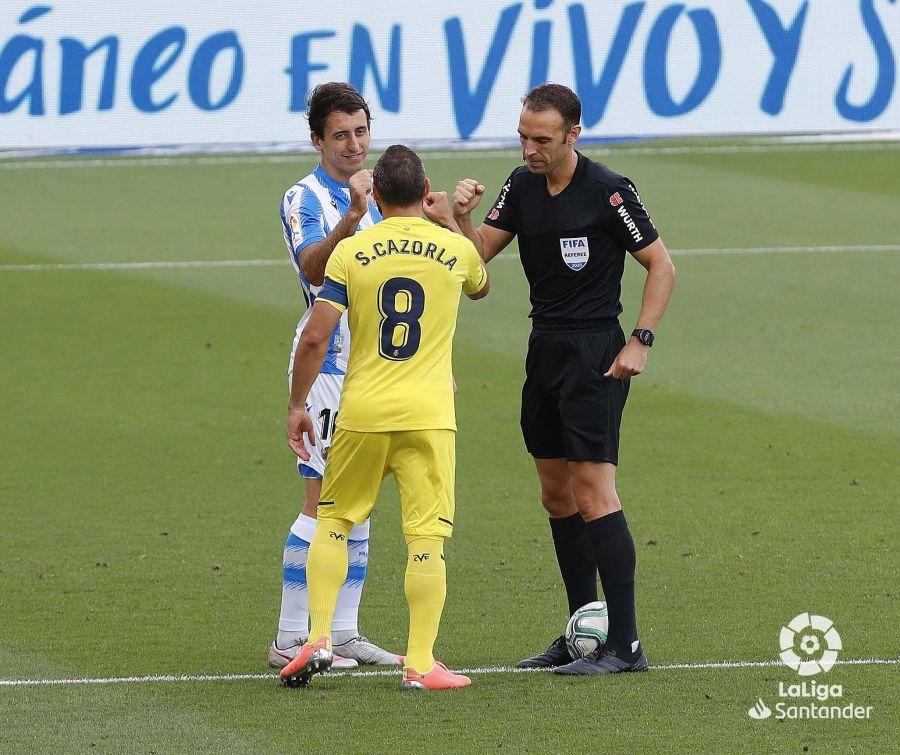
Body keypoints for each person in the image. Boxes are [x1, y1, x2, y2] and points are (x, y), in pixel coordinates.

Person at [451, 83, 675, 676]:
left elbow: (661, 264)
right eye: (523, 137)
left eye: (541, 139)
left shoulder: (609, 191)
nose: (529, 148)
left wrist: (640, 341)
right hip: (544, 347)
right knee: (555, 493)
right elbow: (475, 261)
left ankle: (625, 644)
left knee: (594, 493)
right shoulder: (521, 185)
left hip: (595, 350)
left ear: (573, 134)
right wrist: (461, 217)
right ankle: (585, 631)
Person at [280, 145, 489, 691]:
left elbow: (317, 335)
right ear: (424, 192)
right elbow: (481, 283)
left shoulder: (351, 253)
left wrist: (298, 405)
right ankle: (420, 662)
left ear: (375, 195)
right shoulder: (454, 250)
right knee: (426, 538)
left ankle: (318, 637)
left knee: (335, 519)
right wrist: (450, 218)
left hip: (364, 410)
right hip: (429, 413)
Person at [270, 82, 398, 670]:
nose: (353, 145)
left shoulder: (384, 196)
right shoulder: (304, 198)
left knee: (361, 503)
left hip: (376, 363)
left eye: (361, 133)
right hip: (326, 361)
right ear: (317, 139)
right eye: (340, 135)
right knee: (322, 503)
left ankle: (343, 632)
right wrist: (350, 215)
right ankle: (291, 635)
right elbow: (313, 268)